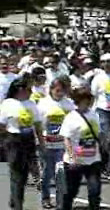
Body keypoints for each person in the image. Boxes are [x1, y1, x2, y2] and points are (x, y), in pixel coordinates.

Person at [0, 78, 45, 210]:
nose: (31, 92)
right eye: (29, 89)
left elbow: (38, 125)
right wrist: (0, 144)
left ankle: (14, 199)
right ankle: (18, 205)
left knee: (24, 175)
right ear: (20, 90)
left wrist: (41, 143)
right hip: (13, 140)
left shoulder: (31, 104)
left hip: (28, 140)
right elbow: (2, 125)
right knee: (16, 174)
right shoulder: (8, 103)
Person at [60, 87, 103, 210]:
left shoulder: (94, 114)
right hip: (75, 161)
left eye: (89, 99)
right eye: (86, 99)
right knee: (70, 191)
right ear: (79, 100)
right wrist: (72, 157)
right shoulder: (71, 117)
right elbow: (66, 138)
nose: (89, 102)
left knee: (95, 190)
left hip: (93, 159)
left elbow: (98, 134)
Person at [37, 77, 75, 208]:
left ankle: (61, 201)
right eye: (57, 90)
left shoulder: (69, 104)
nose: (59, 93)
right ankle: (45, 198)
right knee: (47, 173)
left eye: (62, 91)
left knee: (61, 173)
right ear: (51, 90)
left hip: (62, 145)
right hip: (47, 144)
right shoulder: (43, 104)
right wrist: (39, 141)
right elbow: (37, 125)